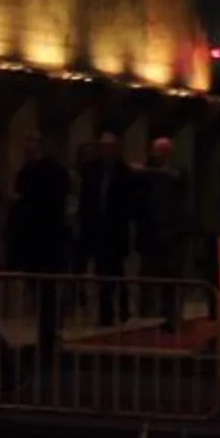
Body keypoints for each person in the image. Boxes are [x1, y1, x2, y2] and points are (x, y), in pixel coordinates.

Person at [5, 143, 75, 372]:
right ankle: (48, 338)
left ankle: (47, 339)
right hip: (50, 251)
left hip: (38, 249)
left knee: (44, 296)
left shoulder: (28, 201)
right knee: (49, 298)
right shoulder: (56, 199)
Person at [76, 131, 136, 324]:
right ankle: (106, 311)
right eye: (103, 147)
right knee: (102, 272)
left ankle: (118, 308)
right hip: (95, 229)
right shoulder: (91, 171)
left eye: (109, 147)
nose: (106, 151)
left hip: (116, 230)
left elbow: (130, 204)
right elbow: (86, 200)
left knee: (115, 271)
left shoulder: (124, 173)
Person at [138, 135, 193, 331]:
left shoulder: (177, 170)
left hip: (175, 233)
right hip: (154, 232)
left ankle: (173, 315)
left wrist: (145, 171)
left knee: (173, 276)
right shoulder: (151, 175)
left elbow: (169, 176)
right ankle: (152, 310)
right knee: (152, 274)